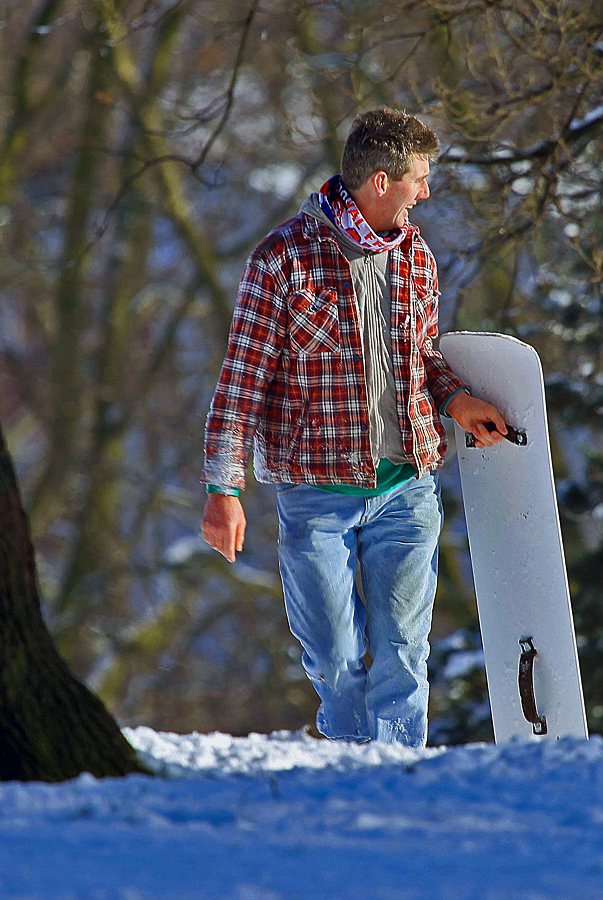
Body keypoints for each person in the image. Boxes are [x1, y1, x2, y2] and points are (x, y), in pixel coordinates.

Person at [201, 107, 506, 747]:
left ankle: (398, 781)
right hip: (316, 497)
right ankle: (348, 769)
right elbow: (242, 380)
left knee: (403, 653)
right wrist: (223, 490)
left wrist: (457, 403)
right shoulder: (283, 260)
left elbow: (421, 357)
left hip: (407, 490)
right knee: (337, 660)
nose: (425, 192)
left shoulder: (415, 258)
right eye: (418, 179)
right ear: (380, 183)